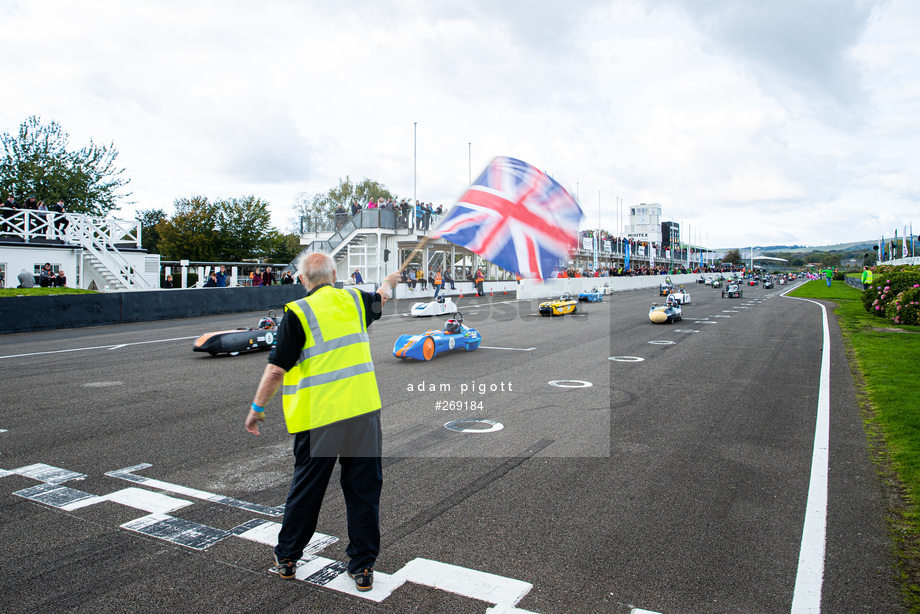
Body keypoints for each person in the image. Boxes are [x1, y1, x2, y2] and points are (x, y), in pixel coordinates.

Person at [244, 252, 399, 592]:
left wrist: (257, 407)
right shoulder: (356, 300)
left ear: (303, 280)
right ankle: (362, 566)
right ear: (334, 275)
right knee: (363, 491)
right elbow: (382, 296)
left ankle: (287, 558)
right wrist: (389, 281)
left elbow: (275, 369)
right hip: (362, 415)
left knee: (307, 490)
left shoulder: (298, 313)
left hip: (320, 419)